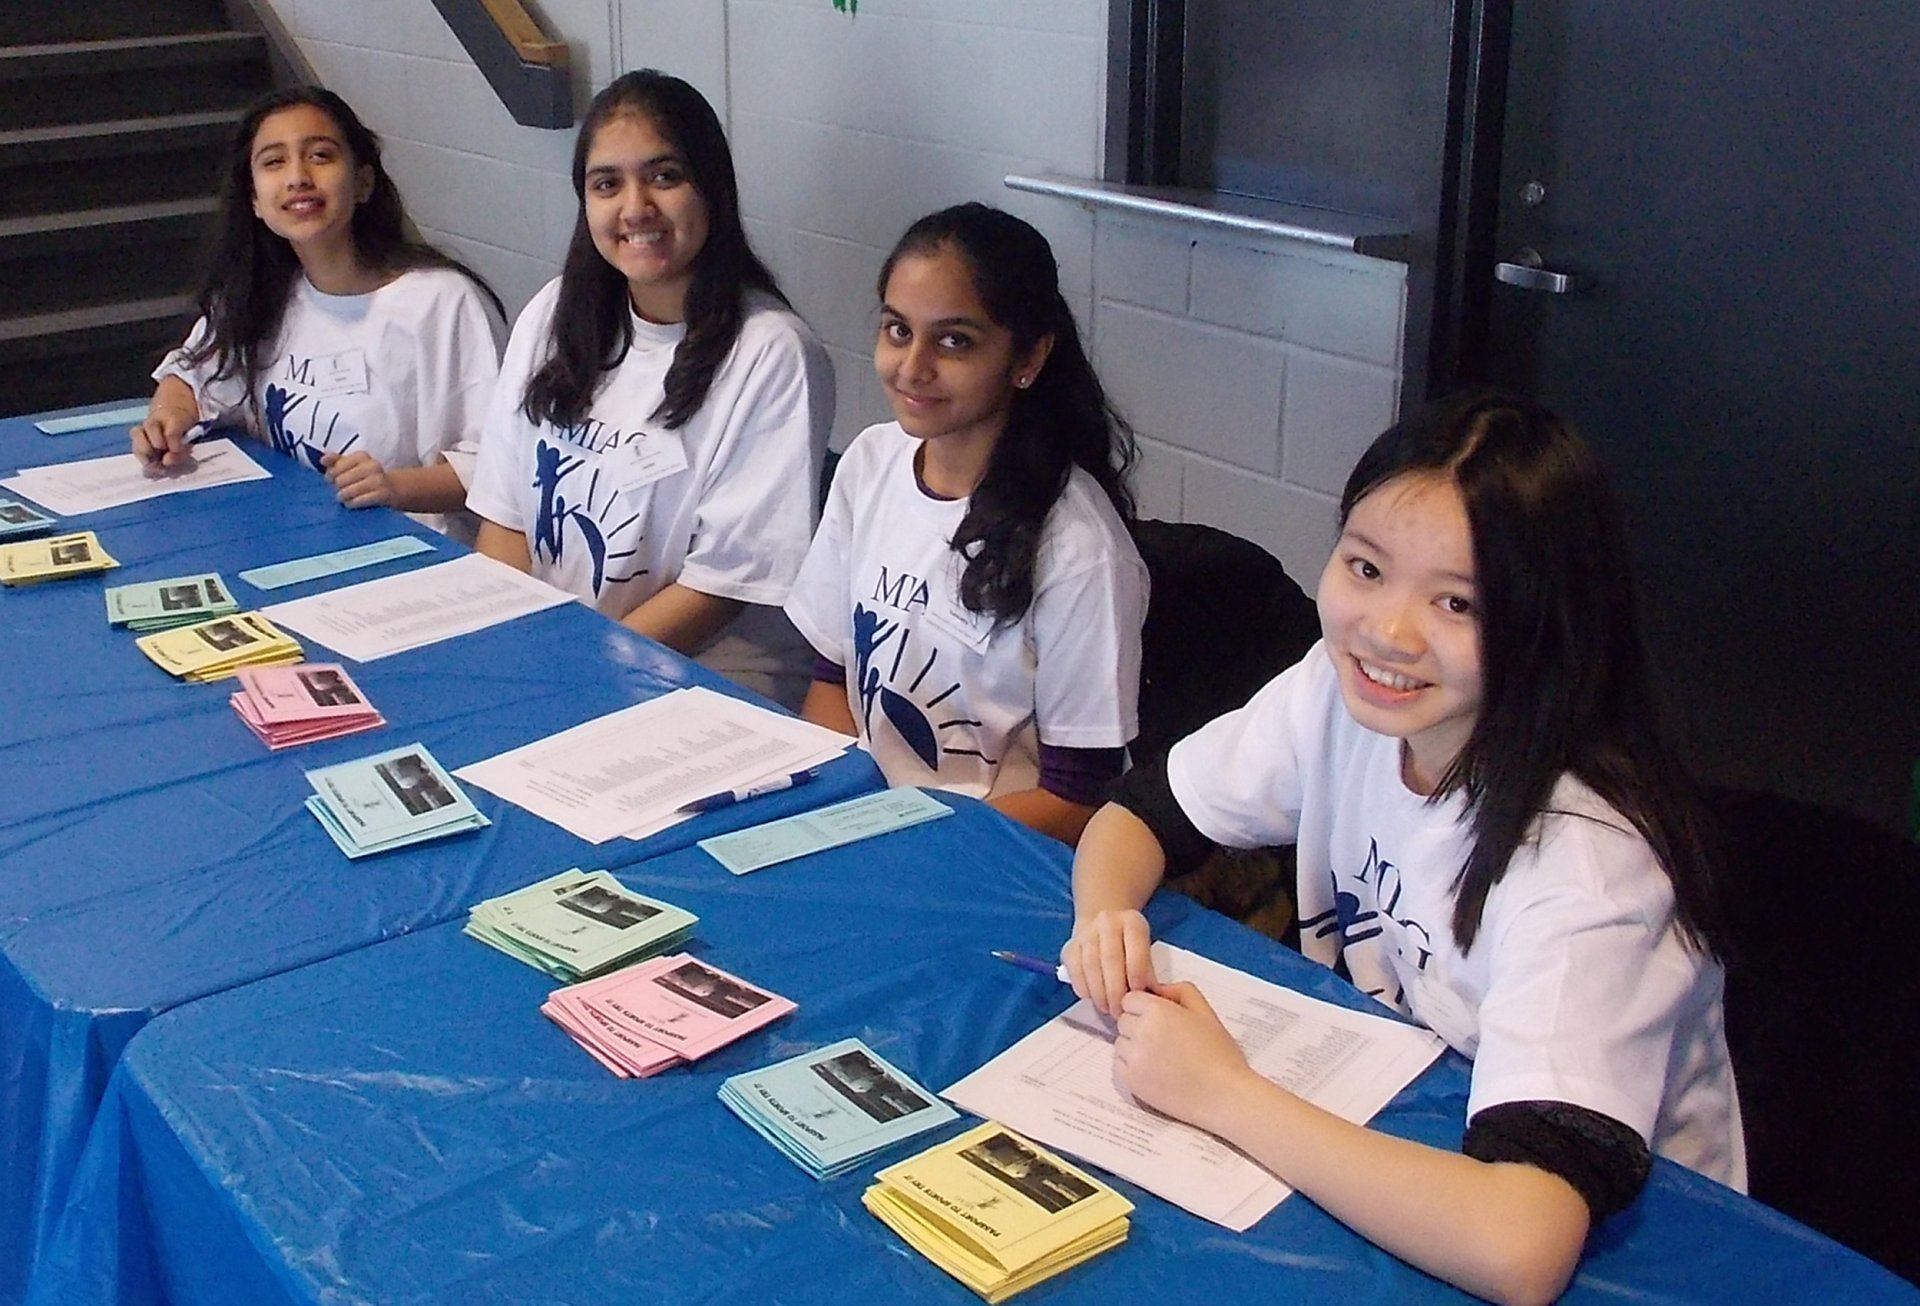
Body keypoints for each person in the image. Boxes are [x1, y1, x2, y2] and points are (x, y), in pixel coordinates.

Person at [1060, 390, 1743, 1303]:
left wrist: (1222, 1093)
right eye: (1367, 568)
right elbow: (1138, 816)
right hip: (1395, 1120)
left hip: (1621, 1244)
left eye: (1457, 601)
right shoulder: (1342, 698)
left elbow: (1520, 1245)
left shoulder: (1587, 863)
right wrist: (1104, 919)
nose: (1388, 632)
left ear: (1547, 621)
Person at [784, 204, 1147, 845]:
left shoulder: (1079, 548)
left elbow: (1078, 797)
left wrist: (908, 837)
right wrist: (843, 818)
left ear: (1028, 357)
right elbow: (830, 681)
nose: (913, 367)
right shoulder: (869, 462)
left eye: (954, 341)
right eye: (898, 331)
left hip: (984, 852)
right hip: (864, 827)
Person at [468, 70, 833, 707]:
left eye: (664, 177)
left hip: (704, 675)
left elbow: (720, 589)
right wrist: (513, 650)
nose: (635, 208)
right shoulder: (555, 314)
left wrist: (579, 667)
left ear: (712, 190)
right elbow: (504, 518)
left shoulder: (773, 352)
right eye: (607, 184)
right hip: (559, 658)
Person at [133, 87, 502, 530]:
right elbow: (189, 374)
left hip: (406, 554)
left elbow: (502, 466)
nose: (297, 178)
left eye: (320, 156)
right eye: (273, 162)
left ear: (363, 182)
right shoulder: (260, 292)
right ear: (254, 199)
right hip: (288, 535)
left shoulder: (442, 301)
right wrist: (168, 418)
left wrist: (395, 487)